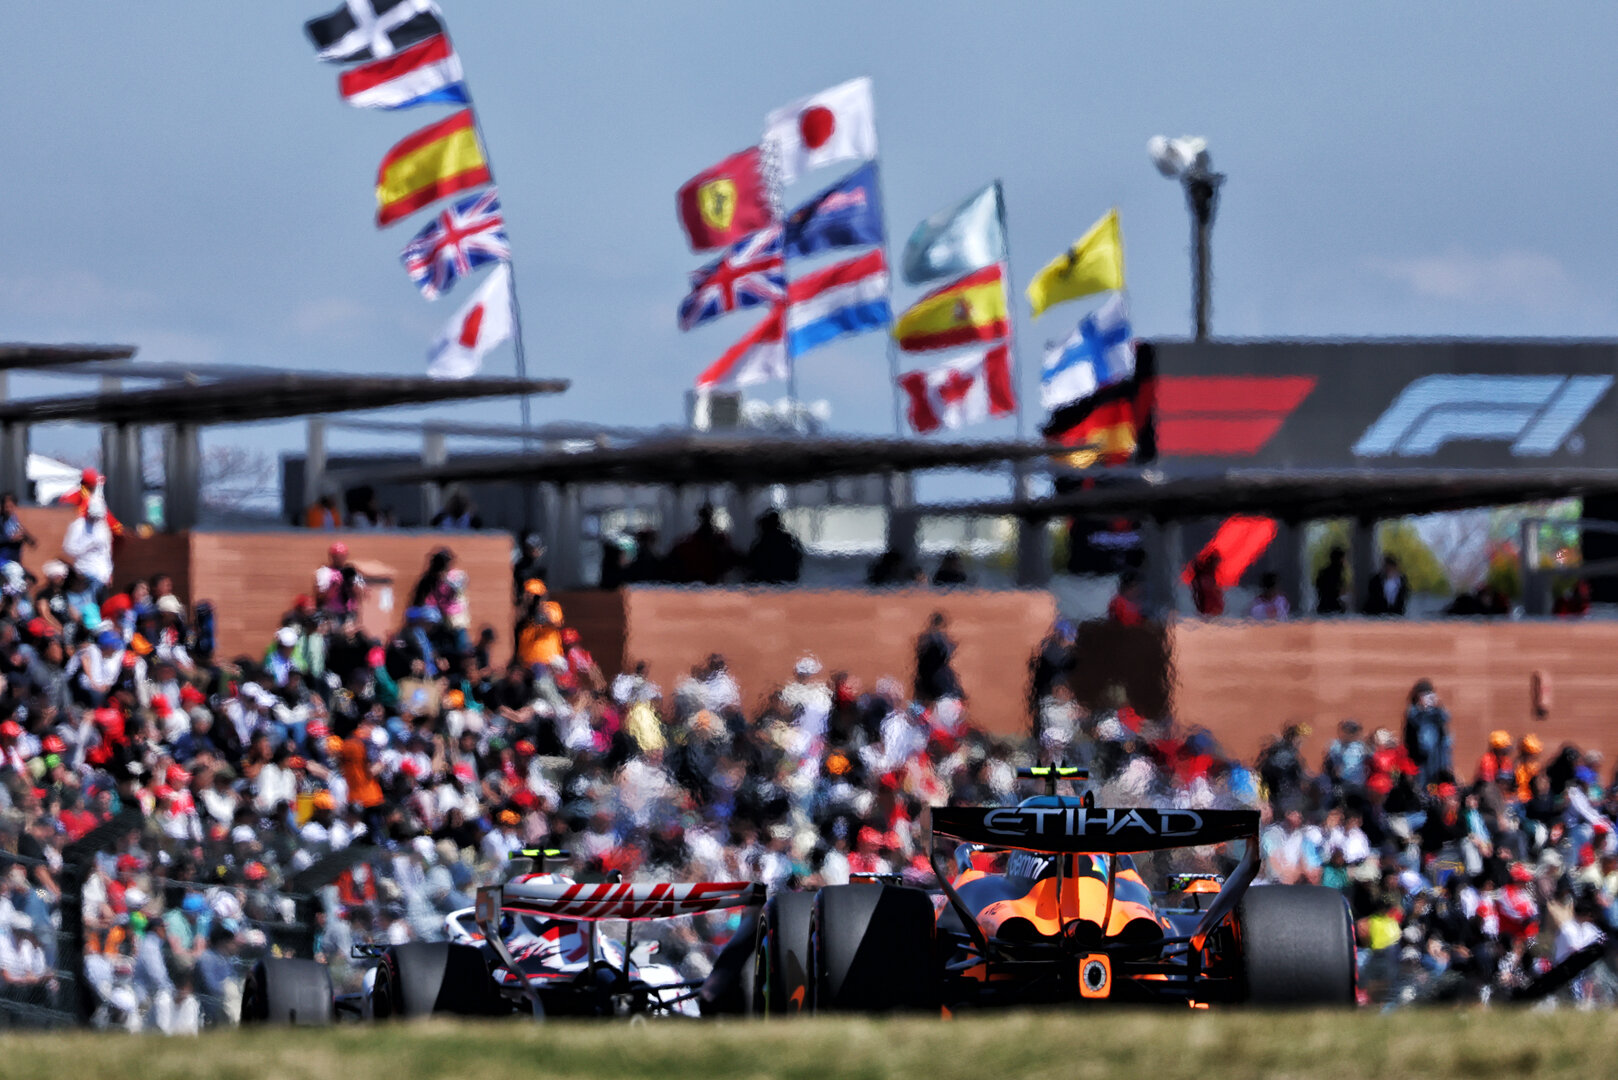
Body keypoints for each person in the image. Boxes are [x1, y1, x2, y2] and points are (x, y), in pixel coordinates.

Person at [1403, 678, 1452, 788]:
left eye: (1430, 695)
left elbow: (1446, 718)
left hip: (1438, 757)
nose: (1429, 699)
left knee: (1438, 785)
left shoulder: (1437, 712)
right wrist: (1422, 709)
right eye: (1425, 695)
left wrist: (1438, 706)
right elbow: (1413, 721)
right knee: (1423, 786)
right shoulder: (1414, 711)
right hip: (1421, 759)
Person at [62, 496, 115, 598]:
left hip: (101, 574)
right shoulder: (78, 526)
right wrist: (87, 547)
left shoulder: (103, 527)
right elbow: (68, 548)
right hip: (85, 572)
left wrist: (108, 573)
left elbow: (106, 553)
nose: (96, 520)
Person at [914, 612, 961, 705]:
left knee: (920, 701)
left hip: (923, 674)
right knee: (954, 695)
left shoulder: (923, 638)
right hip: (937, 674)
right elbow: (948, 653)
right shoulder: (942, 639)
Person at [745, 510, 803, 585]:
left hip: (768, 582)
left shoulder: (763, 543)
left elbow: (754, 563)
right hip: (787, 582)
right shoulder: (789, 540)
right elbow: (797, 559)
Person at [0, 492, 36, 568]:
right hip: (3, 561)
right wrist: (10, 539)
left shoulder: (14, 521)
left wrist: (25, 536)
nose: (8, 509)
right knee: (15, 572)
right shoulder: (2, 521)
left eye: (11, 506)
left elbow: (32, 542)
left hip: (14, 560)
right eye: (6, 507)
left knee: (31, 578)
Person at [1315, 546, 1348, 615]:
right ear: (1340, 559)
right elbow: (1338, 591)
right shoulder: (1336, 574)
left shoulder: (1323, 572)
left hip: (1323, 607)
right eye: (1344, 559)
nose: (1345, 562)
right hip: (1332, 608)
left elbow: (1318, 590)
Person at [1190, 552, 1224, 617]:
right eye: (1216, 562)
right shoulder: (1206, 576)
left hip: (1206, 606)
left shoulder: (1208, 575)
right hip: (1206, 605)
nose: (1218, 565)